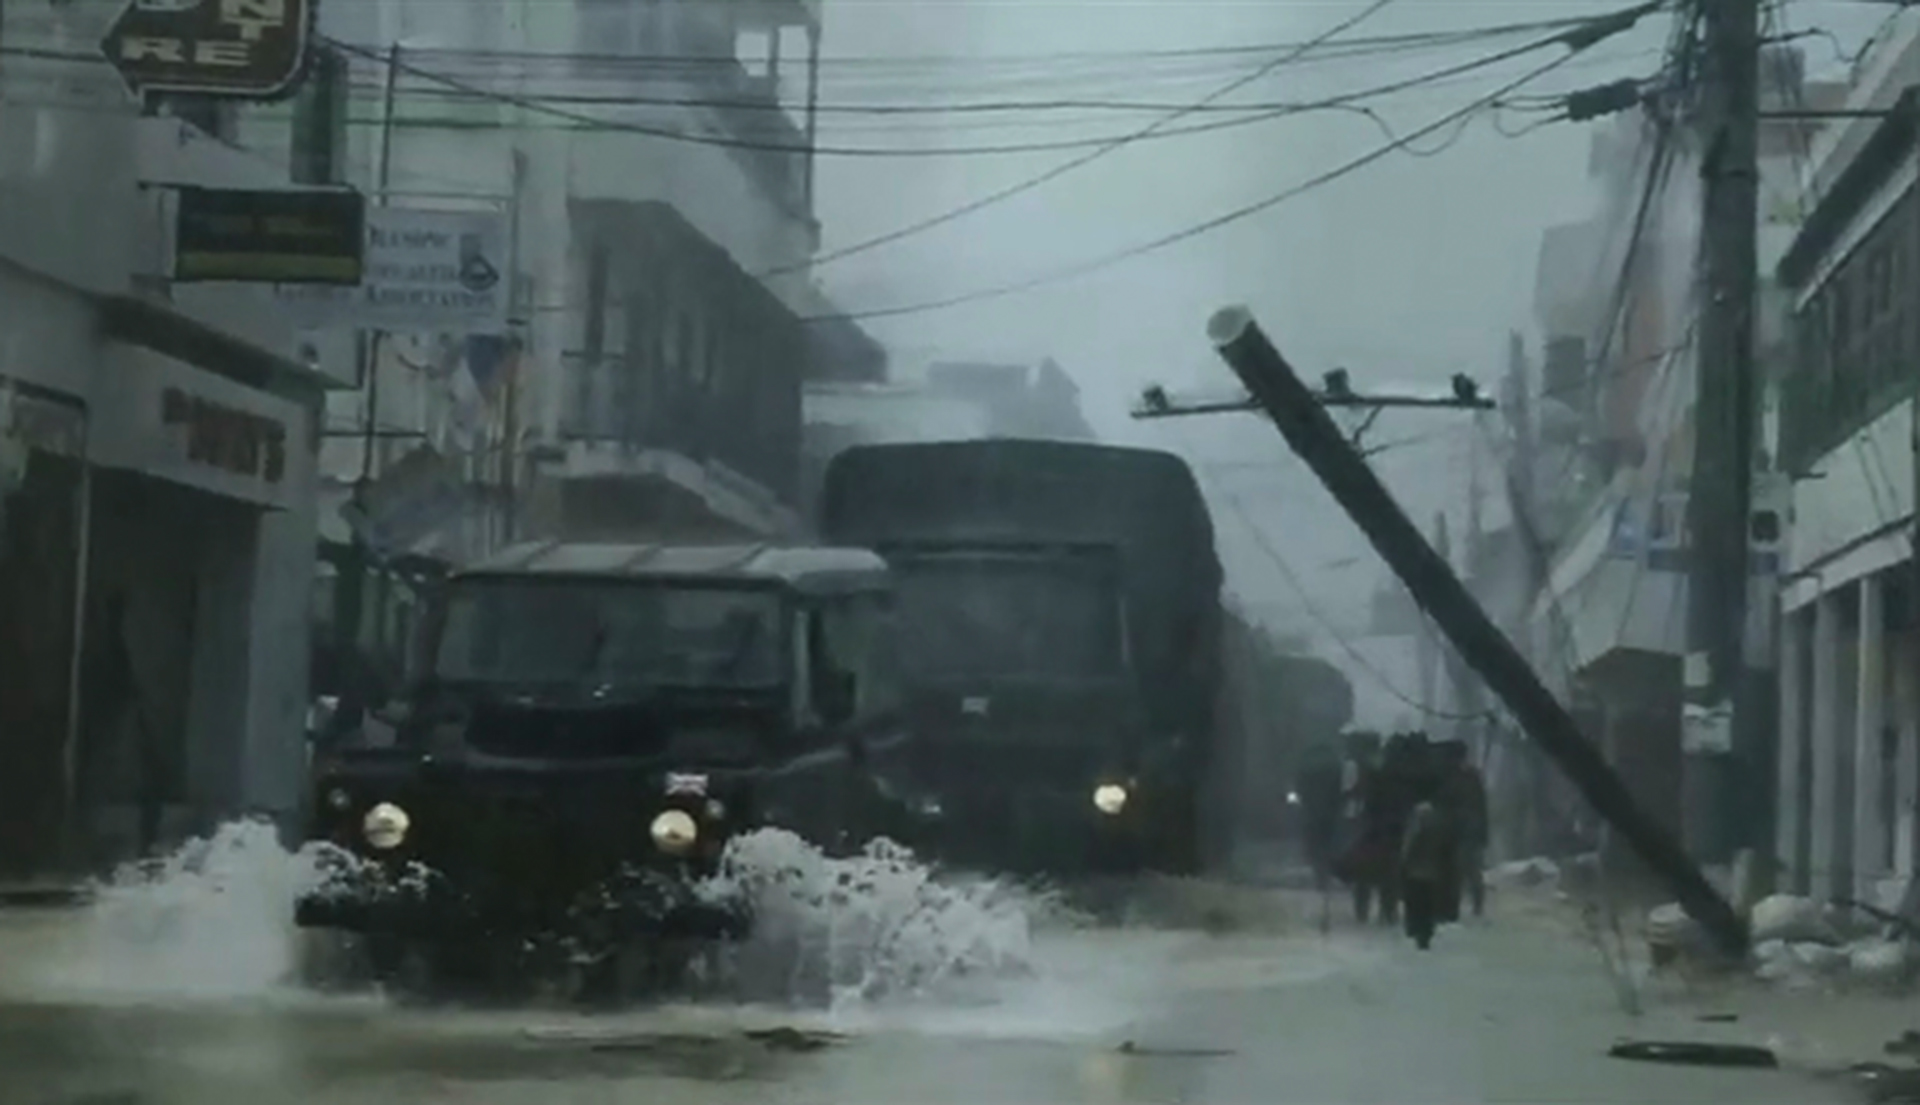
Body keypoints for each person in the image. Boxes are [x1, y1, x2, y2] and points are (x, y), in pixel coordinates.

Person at [1435, 739, 1491, 919]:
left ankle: (1473, 904)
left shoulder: (1463, 777)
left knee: (1465, 869)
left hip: (1464, 830)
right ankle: (1457, 906)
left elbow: (1479, 805)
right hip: (1457, 829)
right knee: (1459, 870)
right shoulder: (1460, 776)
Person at [1400, 798, 1451, 950]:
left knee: (1416, 904)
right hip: (1431, 875)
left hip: (1415, 874)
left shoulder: (1415, 831)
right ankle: (1425, 933)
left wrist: (1404, 865)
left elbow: (1407, 851)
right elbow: (1444, 854)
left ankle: (1416, 930)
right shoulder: (1438, 833)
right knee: (1427, 905)